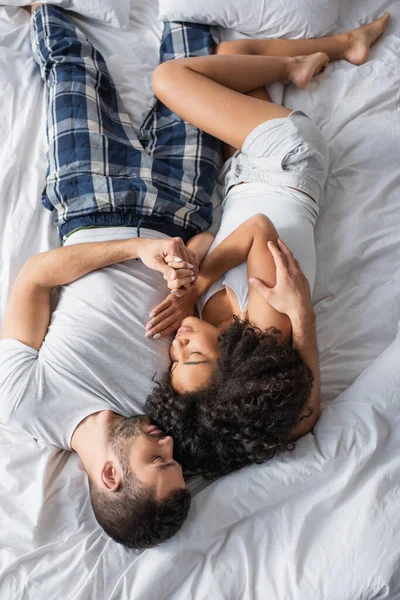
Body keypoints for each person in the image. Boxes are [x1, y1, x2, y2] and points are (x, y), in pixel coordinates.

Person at [0, 4, 222, 548]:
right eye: (176, 462)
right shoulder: (169, 409)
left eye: (158, 462)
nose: (169, 446)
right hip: (182, 206)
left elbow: (34, 278)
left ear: (110, 476)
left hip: (91, 201)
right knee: (194, 44)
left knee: (69, 57)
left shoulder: (23, 403)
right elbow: (210, 250)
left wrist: (132, 247)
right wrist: (187, 276)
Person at [144, 14, 391, 478]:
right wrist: (199, 285)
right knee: (170, 77)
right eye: (192, 355)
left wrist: (185, 272)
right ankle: (342, 44)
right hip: (286, 159)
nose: (179, 345)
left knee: (233, 57)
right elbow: (257, 229)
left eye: (174, 360)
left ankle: (305, 64)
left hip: (241, 179)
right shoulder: (268, 324)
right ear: (233, 371)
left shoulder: (213, 330)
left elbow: (206, 241)